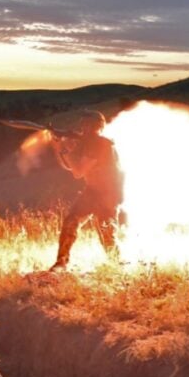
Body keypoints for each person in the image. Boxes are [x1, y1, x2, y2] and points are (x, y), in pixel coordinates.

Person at [49, 111, 123, 271]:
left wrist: (65, 150)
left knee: (106, 233)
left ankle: (117, 268)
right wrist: (63, 147)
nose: (83, 129)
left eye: (87, 126)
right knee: (71, 222)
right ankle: (61, 263)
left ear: (95, 127)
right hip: (93, 191)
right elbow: (71, 166)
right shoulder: (88, 143)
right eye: (83, 126)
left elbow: (78, 171)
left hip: (108, 194)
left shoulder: (100, 144)